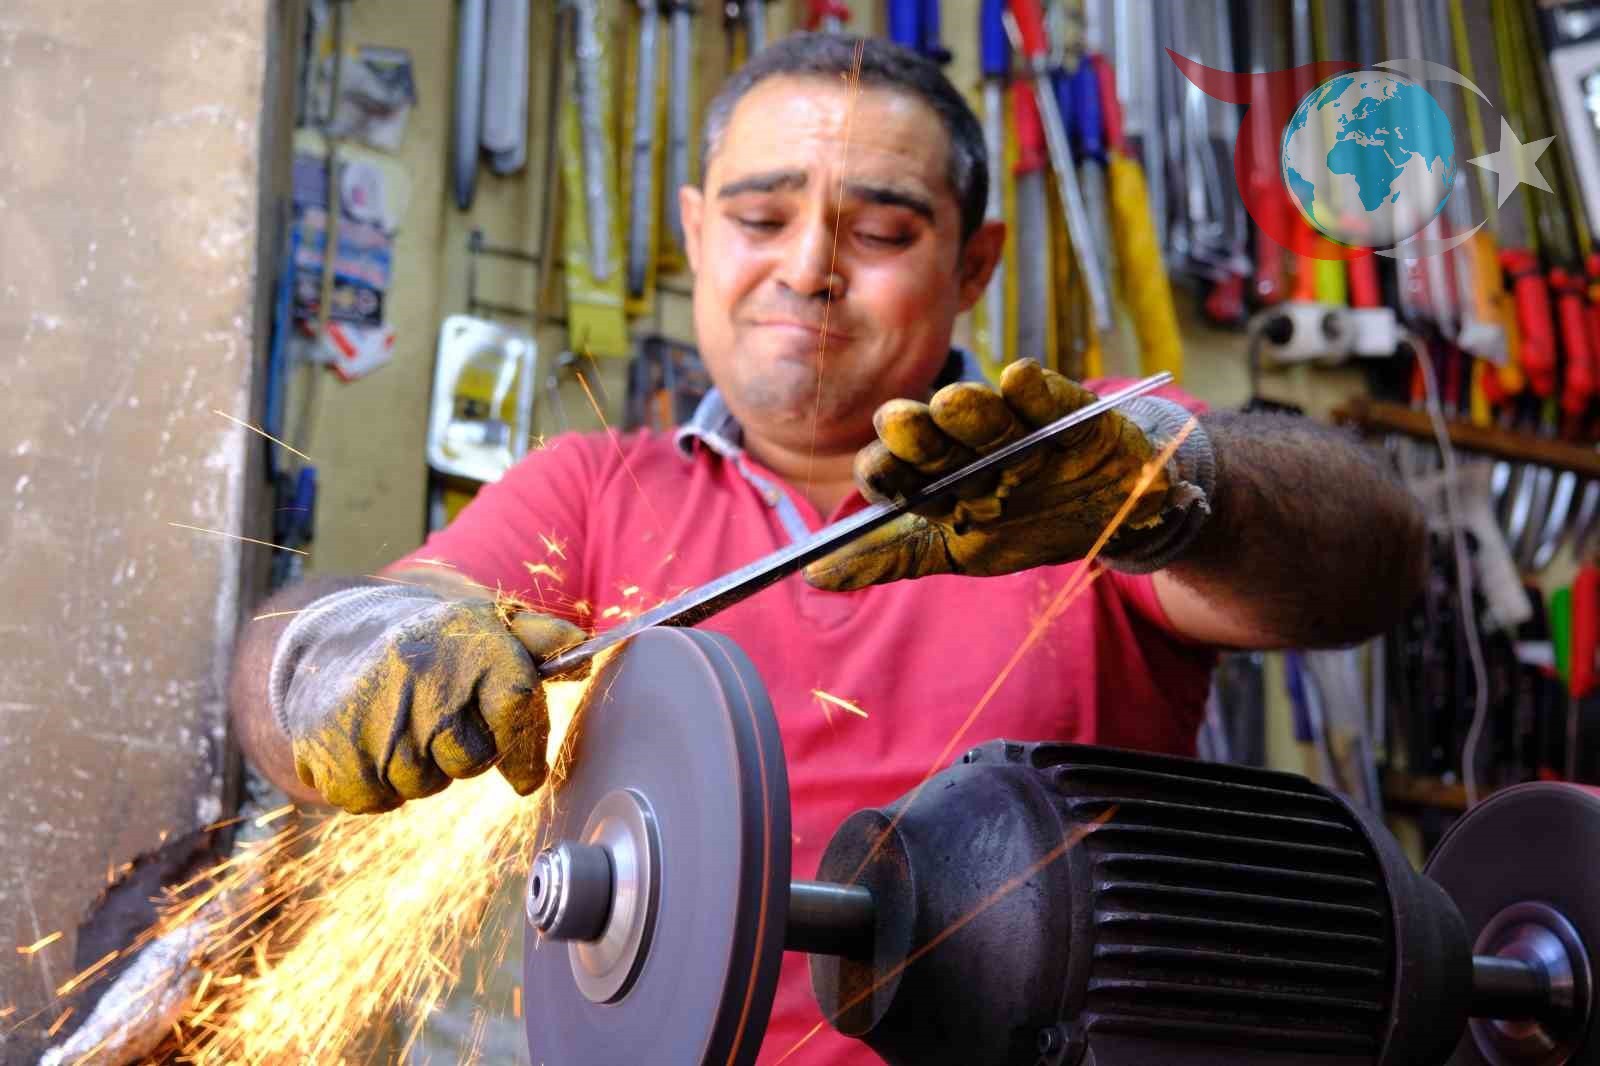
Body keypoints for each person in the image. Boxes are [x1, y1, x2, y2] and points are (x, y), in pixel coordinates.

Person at [229, 33, 1424, 1065]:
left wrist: (1183, 494)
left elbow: (1374, 560)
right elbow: (300, 659)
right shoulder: (590, 490)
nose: (807, 267)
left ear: (973, 265)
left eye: (884, 230)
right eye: (760, 216)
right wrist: (338, 658)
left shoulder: (1076, 456)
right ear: (698, 233)